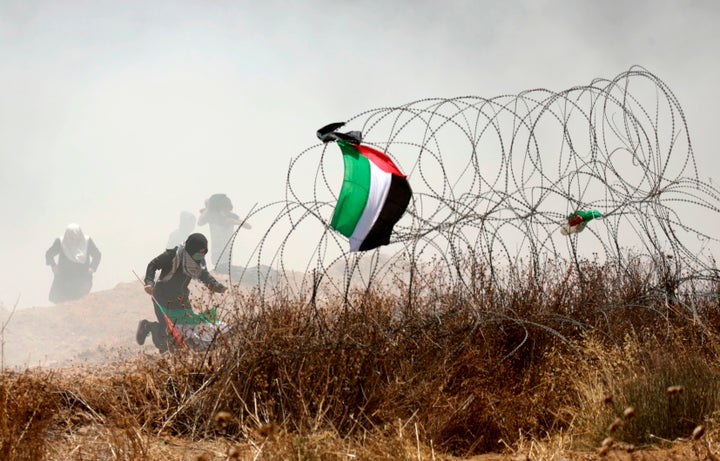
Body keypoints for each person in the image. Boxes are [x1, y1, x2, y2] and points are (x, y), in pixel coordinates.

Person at [136, 233, 227, 353]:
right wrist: (149, 282)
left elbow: (204, 275)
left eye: (203, 253)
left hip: (181, 299)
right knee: (168, 335)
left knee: (189, 330)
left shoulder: (198, 261)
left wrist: (215, 286)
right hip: (163, 298)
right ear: (190, 249)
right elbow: (153, 264)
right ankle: (148, 326)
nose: (200, 255)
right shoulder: (173, 255)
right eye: (198, 252)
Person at [46, 223, 101, 304]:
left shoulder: (87, 242)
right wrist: (53, 266)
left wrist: (92, 268)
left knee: (80, 301)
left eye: (74, 238)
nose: (71, 240)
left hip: (82, 276)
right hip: (64, 278)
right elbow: (49, 254)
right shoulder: (61, 242)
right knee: (60, 301)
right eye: (69, 238)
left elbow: (97, 255)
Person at [197, 193, 251, 273]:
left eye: (228, 208)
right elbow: (200, 222)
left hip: (227, 252)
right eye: (224, 208)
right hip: (217, 252)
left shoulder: (231, 216)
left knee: (226, 269)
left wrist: (234, 221)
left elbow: (248, 226)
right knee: (221, 268)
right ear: (219, 208)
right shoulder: (213, 217)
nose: (226, 211)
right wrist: (208, 208)